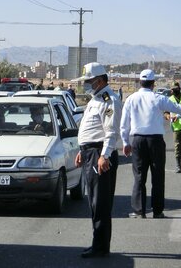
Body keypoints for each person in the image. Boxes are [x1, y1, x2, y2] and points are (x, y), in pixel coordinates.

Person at [120, 69, 181, 220]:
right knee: (158, 177)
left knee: (139, 177)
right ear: (153, 83)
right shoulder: (158, 98)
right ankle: (157, 211)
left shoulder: (131, 99)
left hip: (138, 141)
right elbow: (180, 109)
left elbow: (124, 124)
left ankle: (139, 211)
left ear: (140, 82)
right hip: (155, 141)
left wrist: (125, 142)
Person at [74, 62, 122, 258]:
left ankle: (101, 247)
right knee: (94, 202)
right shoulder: (96, 99)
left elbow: (111, 131)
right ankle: (98, 243)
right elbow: (90, 129)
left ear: (100, 80)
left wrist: (104, 155)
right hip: (90, 153)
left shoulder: (109, 100)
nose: (86, 84)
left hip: (99, 155)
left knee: (100, 202)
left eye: (89, 81)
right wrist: (81, 150)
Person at [164, 82, 181, 173]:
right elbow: (166, 113)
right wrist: (169, 117)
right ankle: (178, 165)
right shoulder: (170, 99)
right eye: (172, 89)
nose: (173, 90)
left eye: (175, 89)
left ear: (179, 89)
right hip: (176, 127)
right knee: (177, 146)